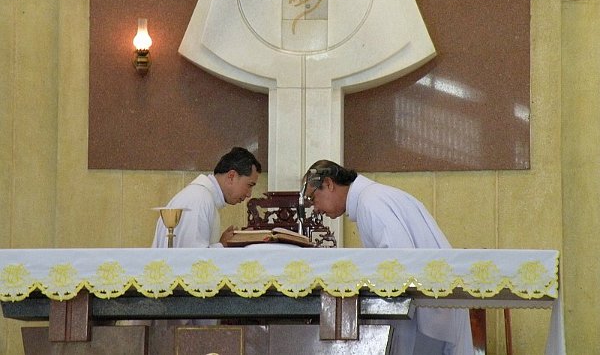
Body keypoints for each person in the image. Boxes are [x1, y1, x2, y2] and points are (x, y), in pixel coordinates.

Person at [302, 160, 474, 355]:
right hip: (432, 305)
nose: (315, 209)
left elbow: (398, 263)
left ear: (329, 184)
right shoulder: (372, 197)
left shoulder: (371, 202)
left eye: (313, 198)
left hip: (429, 310)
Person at [152, 146, 261, 248]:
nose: (249, 194)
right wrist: (223, 245)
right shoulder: (199, 200)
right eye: (249, 185)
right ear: (231, 176)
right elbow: (192, 257)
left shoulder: (201, 196)